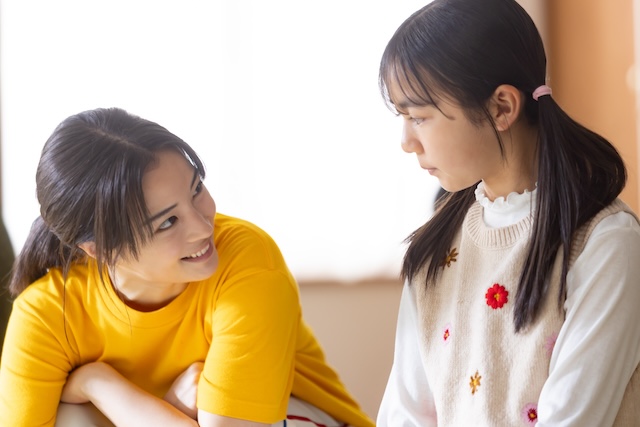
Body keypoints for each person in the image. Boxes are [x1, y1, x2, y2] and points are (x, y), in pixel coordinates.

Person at [0, 107, 375, 427]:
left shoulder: (246, 259)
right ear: (101, 250)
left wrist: (98, 385)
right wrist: (129, 396)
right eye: (167, 222)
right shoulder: (48, 314)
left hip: (299, 419)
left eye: (196, 190)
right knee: (70, 418)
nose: (203, 227)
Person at [375, 0, 640, 425]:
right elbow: (404, 416)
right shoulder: (433, 252)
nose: (406, 141)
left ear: (501, 107)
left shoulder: (605, 242)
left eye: (419, 117)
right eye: (402, 117)